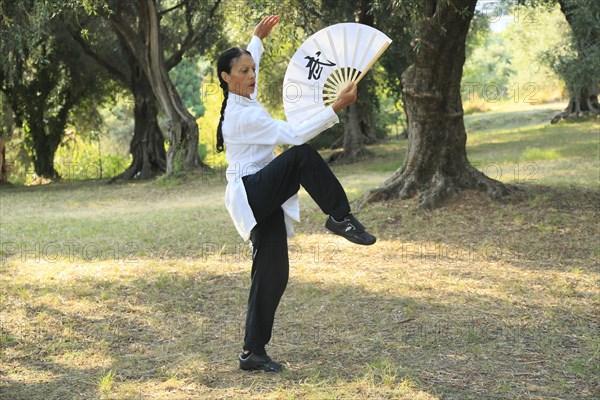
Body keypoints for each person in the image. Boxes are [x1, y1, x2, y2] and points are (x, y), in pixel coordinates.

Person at [216, 15, 376, 373]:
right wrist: (335, 107)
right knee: (301, 156)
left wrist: (256, 39)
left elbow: (248, 63)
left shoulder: (243, 97)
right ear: (226, 78)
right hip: (252, 192)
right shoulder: (240, 116)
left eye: (252, 69)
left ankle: (251, 352)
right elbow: (295, 136)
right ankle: (339, 217)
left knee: (273, 273)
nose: (252, 76)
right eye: (243, 71)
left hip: (264, 192)